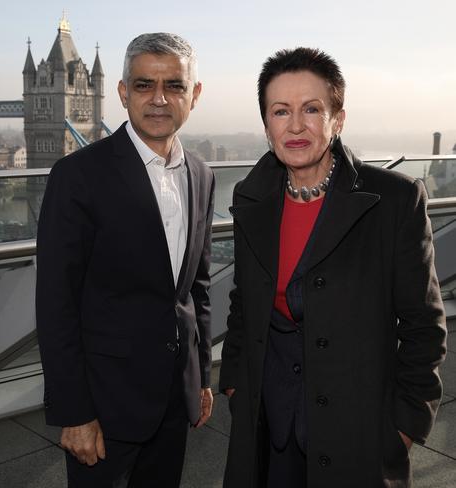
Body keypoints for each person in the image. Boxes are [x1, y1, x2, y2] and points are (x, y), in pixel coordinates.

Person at [219, 47, 447, 488]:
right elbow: (244, 304)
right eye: (280, 111)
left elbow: (424, 326)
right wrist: (234, 384)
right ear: (267, 124)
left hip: (358, 429)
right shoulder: (252, 199)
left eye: (312, 109)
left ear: (337, 119)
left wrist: (404, 426)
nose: (296, 125)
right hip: (267, 423)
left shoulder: (394, 200)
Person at [36, 32, 215, 487]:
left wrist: (202, 376)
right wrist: (73, 412)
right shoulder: (77, 176)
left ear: (194, 95)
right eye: (142, 86)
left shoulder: (202, 174)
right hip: (104, 406)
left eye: (174, 85)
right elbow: (56, 304)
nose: (158, 99)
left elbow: (197, 286)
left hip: (176, 397)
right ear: (121, 93)